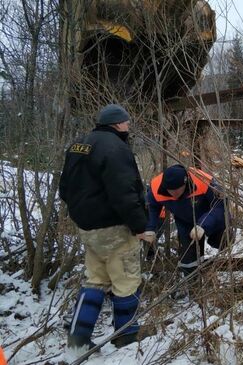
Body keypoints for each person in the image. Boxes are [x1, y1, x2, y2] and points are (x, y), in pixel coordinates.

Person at [59, 104, 154, 350]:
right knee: (126, 280)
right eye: (126, 122)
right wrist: (139, 226)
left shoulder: (79, 144)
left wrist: (84, 214)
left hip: (88, 228)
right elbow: (125, 192)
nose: (128, 126)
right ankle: (127, 335)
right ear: (117, 124)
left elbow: (64, 188)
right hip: (114, 228)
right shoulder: (116, 148)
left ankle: (77, 338)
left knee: (95, 280)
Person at [143, 164, 229, 288]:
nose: (174, 194)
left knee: (221, 239)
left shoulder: (203, 180)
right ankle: (193, 285)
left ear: (186, 182)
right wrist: (150, 228)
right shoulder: (156, 187)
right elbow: (152, 207)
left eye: (177, 190)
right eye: (170, 191)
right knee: (188, 256)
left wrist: (203, 224)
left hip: (210, 216)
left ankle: (219, 247)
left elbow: (220, 206)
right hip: (184, 220)